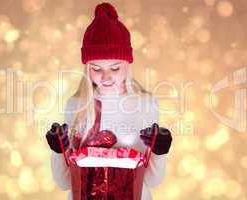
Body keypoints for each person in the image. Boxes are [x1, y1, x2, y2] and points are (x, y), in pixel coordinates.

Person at [45, 2, 172, 200]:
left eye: (115, 68)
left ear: (128, 65)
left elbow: (152, 181)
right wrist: (57, 151)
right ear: (87, 68)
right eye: (96, 68)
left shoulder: (145, 105)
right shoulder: (76, 106)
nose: (106, 77)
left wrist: (159, 152)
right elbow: (64, 183)